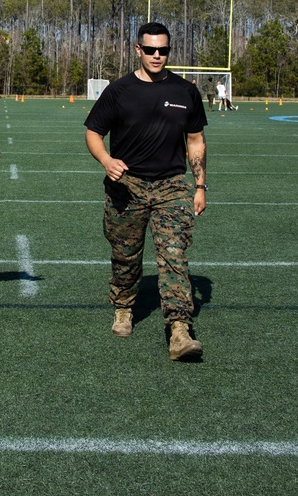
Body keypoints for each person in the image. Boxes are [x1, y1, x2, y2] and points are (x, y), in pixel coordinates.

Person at [84, 21, 208, 362]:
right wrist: (106, 160)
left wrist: (200, 185)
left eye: (163, 50)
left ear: (170, 51)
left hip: (172, 187)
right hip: (127, 186)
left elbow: (196, 141)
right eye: (150, 49)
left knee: (174, 257)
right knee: (125, 257)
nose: (157, 55)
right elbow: (93, 132)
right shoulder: (119, 91)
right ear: (138, 50)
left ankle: (179, 329)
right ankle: (124, 306)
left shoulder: (186, 92)